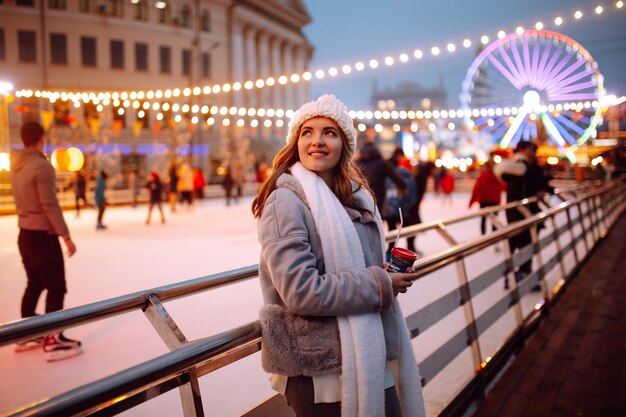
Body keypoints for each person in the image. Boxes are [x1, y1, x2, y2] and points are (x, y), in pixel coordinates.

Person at [252, 95, 425, 417]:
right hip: (318, 366)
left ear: (344, 144)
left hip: (367, 354)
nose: (317, 140)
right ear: (295, 142)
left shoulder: (356, 199)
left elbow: (358, 268)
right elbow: (301, 292)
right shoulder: (285, 202)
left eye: (329, 132)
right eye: (307, 132)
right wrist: (380, 282)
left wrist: (384, 272)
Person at [10, 121, 82, 361]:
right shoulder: (42, 166)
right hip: (43, 236)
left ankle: (25, 332)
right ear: (41, 138)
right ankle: (53, 337)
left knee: (35, 282)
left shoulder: (17, 165)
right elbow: (49, 204)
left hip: (25, 234)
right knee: (56, 286)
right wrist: (66, 236)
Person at [495, 141, 549, 290]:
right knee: (521, 242)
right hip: (519, 212)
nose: (533, 153)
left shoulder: (529, 167)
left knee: (524, 243)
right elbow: (524, 184)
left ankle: (520, 274)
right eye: (531, 150)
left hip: (524, 211)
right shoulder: (520, 167)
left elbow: (537, 184)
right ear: (523, 150)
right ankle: (518, 274)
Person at [384, 147, 418, 256]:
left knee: (392, 230)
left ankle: (390, 250)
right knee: (409, 229)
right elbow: (411, 195)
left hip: (390, 208)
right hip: (404, 209)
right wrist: (408, 206)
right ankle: (410, 250)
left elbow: (387, 192)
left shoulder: (389, 176)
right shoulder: (407, 177)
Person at [355, 141, 407, 213]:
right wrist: (403, 187)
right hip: (377, 195)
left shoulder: (356, 163)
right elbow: (395, 177)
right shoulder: (382, 163)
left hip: (360, 195)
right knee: (377, 216)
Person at [469, 159, 506, 235]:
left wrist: (471, 202)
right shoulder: (496, 176)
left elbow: (476, 189)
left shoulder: (483, 176)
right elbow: (503, 187)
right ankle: (493, 235)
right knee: (494, 219)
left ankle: (484, 235)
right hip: (493, 201)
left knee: (484, 218)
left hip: (485, 201)